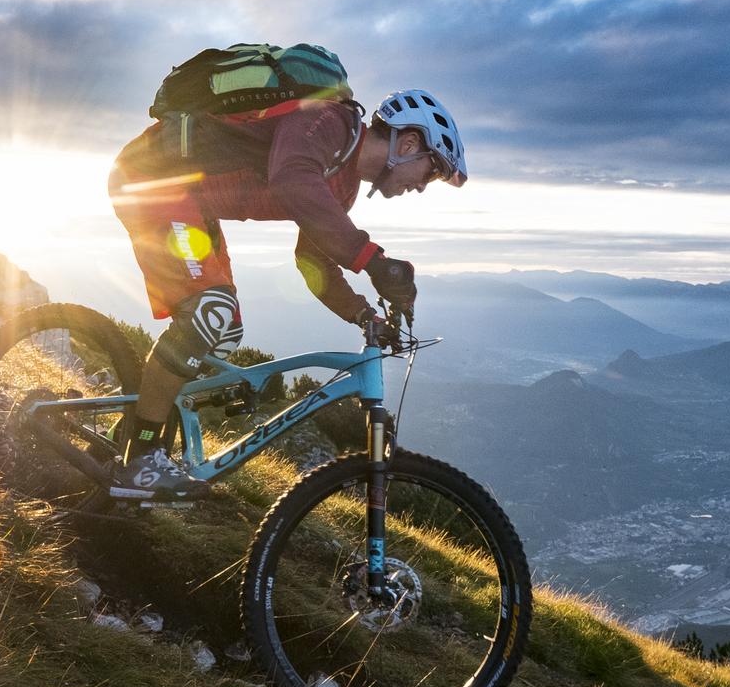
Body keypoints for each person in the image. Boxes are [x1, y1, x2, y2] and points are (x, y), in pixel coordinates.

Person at [106, 77, 468, 501]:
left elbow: (313, 260)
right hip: (153, 181)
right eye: (431, 170)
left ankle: (131, 429)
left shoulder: (343, 183)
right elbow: (292, 179)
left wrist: (362, 314)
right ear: (407, 144)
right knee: (210, 312)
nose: (423, 185)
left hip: (191, 206)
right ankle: (140, 460)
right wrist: (372, 260)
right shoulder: (330, 120)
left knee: (223, 334)